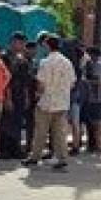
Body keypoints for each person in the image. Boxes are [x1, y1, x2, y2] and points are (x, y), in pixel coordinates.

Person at [24, 33, 74, 170]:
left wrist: (37, 95)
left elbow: (41, 84)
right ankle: (62, 158)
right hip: (62, 102)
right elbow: (72, 83)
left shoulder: (45, 62)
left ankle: (35, 157)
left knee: (40, 131)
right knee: (59, 133)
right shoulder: (67, 62)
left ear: (47, 45)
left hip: (46, 102)